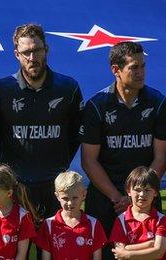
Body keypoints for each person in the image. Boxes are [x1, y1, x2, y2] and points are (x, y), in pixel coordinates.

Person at [81, 41, 166, 259]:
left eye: (143, 66)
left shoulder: (157, 102)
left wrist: (140, 193)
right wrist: (119, 198)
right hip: (107, 197)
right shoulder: (97, 106)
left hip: (145, 193)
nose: (141, 73)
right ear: (116, 70)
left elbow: (161, 156)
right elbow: (89, 160)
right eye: (134, 67)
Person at [0, 23, 83, 219]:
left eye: (37, 50)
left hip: (56, 186)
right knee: (15, 249)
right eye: (26, 52)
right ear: (17, 54)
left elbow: (76, 134)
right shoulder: (2, 90)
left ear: (46, 49)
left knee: (54, 248)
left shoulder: (68, 88)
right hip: (16, 187)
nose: (32, 58)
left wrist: (60, 165)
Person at [34, 171, 107, 260]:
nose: (70, 203)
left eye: (75, 198)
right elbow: (46, 257)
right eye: (65, 198)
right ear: (57, 196)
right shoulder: (49, 224)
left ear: (84, 195)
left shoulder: (93, 224)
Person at [110, 166, 166, 259]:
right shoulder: (121, 220)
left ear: (155, 192)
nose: (142, 194)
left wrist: (128, 253)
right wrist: (149, 244)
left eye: (147, 190)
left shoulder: (161, 220)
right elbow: (119, 253)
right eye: (137, 190)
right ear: (128, 191)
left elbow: (159, 252)